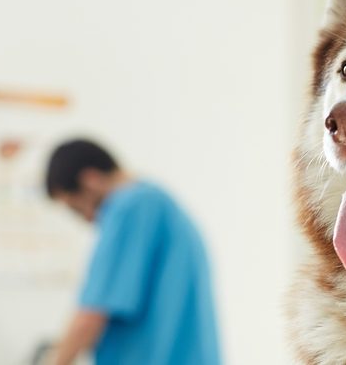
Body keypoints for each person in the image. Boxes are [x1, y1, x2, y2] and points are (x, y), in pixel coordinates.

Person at [44, 139, 221, 365]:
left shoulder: (131, 206)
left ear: (91, 180)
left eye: (77, 208)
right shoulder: (159, 202)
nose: (89, 220)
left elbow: (91, 314)